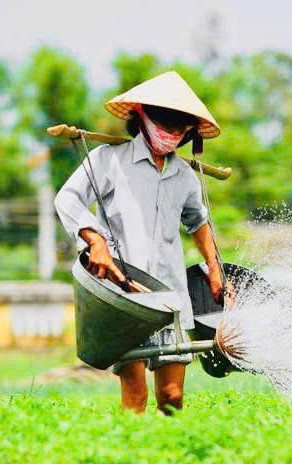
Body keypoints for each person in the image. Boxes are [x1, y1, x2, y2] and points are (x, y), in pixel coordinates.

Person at [54, 71, 223, 414]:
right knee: (135, 397)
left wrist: (215, 268)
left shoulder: (184, 176)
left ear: (190, 131)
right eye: (166, 123)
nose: (172, 133)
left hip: (170, 297)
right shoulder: (108, 160)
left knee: (173, 397)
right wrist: (95, 240)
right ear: (142, 117)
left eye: (181, 127)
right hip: (124, 296)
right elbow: (68, 199)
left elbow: (198, 220)